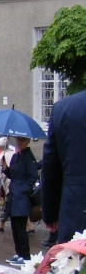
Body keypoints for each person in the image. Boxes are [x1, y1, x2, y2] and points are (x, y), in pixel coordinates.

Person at [42, 90, 86, 245]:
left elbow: (51, 165)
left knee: (73, 265)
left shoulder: (64, 108)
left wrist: (51, 213)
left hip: (75, 211)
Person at [2, 135, 39, 264]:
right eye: (18, 140)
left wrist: (24, 189)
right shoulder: (16, 156)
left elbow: (33, 176)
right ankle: (19, 253)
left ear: (28, 141)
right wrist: (6, 168)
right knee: (14, 227)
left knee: (21, 227)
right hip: (13, 195)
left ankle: (25, 255)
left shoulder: (29, 157)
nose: (19, 142)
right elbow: (13, 174)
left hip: (22, 197)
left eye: (22, 140)